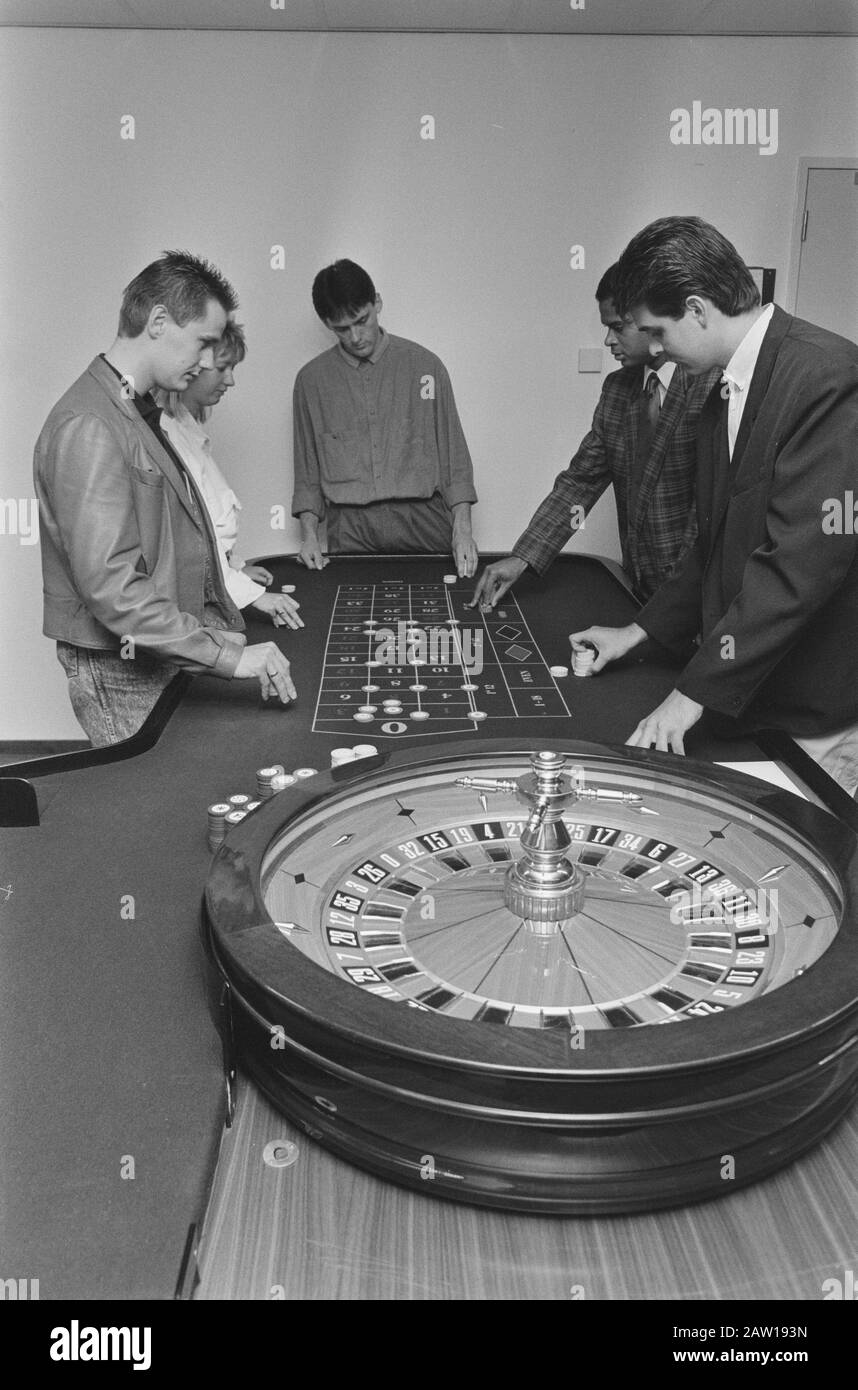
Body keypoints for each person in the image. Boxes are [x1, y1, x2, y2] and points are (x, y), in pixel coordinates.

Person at [570, 215, 858, 795]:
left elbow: (798, 569)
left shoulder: (828, 377)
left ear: (698, 309)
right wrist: (638, 632)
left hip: (815, 715)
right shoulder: (719, 393)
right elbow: (712, 543)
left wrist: (690, 694)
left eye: (657, 331)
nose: (652, 348)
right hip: (752, 695)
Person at [34, 251, 296, 748]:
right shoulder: (92, 424)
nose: (206, 362)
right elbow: (112, 589)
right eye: (203, 342)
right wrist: (226, 654)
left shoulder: (136, 410)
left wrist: (222, 622)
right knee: (147, 820)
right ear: (158, 321)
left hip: (157, 655)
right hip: (123, 668)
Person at [470, 264, 720, 611]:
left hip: (700, 599)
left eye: (617, 327)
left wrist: (674, 609)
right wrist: (522, 557)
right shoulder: (618, 389)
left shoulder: (711, 384)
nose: (607, 341)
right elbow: (581, 483)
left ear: (653, 319)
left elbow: (706, 512)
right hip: (640, 591)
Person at [291, 259, 478, 575]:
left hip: (423, 523)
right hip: (349, 529)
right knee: (355, 623)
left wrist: (463, 532)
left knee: (433, 622)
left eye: (362, 320)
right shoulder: (311, 382)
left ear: (376, 302)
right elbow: (307, 473)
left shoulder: (426, 368)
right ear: (327, 324)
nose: (355, 336)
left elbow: (454, 463)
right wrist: (308, 536)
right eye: (341, 328)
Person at [156, 321, 303, 631]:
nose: (231, 380)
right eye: (223, 368)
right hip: (192, 615)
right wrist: (251, 596)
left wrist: (234, 570)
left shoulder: (185, 426)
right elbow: (186, 544)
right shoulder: (164, 434)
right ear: (194, 365)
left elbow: (209, 531)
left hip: (214, 594)